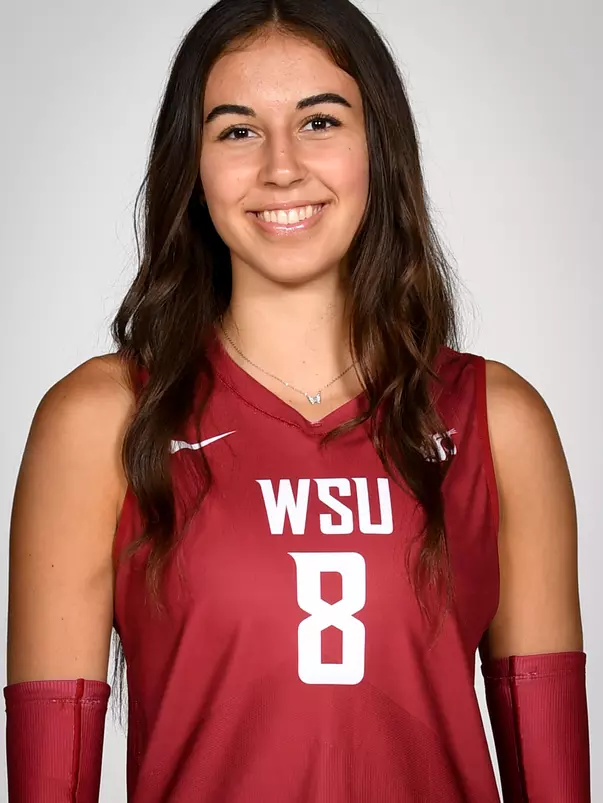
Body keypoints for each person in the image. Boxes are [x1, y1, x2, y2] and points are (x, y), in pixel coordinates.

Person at [4, 0, 591, 801]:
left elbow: (555, 782)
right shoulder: (102, 421)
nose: (281, 166)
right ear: (193, 165)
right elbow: (46, 783)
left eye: (319, 122)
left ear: (377, 148)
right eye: (237, 130)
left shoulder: (496, 420)